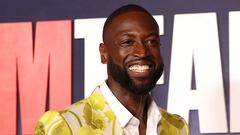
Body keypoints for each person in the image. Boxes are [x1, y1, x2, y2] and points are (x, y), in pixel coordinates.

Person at [34, 4, 189, 135]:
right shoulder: (65, 126)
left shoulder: (177, 127)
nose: (142, 52)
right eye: (127, 42)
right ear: (104, 54)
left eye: (151, 41)